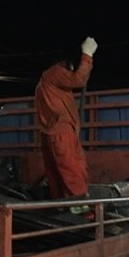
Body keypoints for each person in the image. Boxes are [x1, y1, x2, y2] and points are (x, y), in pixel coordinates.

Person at [34, 36, 98, 200]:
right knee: (73, 172)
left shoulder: (45, 85)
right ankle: (82, 214)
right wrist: (87, 54)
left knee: (57, 176)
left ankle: (63, 208)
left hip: (51, 134)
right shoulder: (55, 73)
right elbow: (79, 79)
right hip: (63, 134)